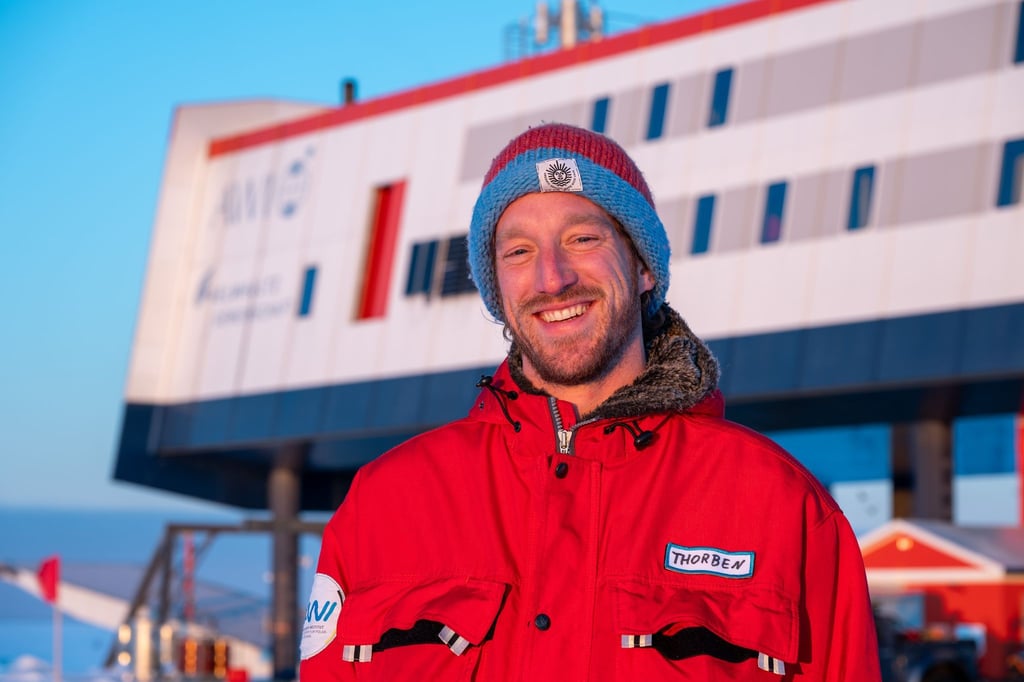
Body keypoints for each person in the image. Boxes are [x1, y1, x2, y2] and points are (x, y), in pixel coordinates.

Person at [299, 123, 881, 680]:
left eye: (583, 239)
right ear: (496, 289)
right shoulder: (383, 505)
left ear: (644, 268)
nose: (552, 279)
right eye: (519, 251)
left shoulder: (781, 508)